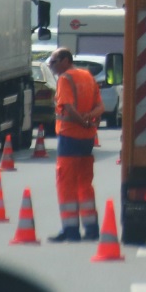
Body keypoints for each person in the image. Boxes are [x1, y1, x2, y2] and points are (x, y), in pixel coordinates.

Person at [46, 48, 104, 242]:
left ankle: (71, 230)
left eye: (53, 62)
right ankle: (92, 229)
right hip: (87, 138)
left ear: (65, 60)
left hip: (69, 137)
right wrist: (89, 120)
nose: (51, 66)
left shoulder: (65, 79)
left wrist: (81, 121)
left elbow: (69, 108)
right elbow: (100, 107)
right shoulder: (87, 76)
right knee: (84, 184)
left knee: (66, 184)